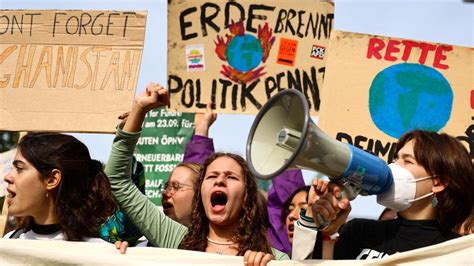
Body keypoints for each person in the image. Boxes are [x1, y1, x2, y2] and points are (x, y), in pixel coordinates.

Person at [105, 83, 288, 264]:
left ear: (246, 196)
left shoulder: (274, 259)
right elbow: (117, 180)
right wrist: (139, 109)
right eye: (211, 176)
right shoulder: (175, 239)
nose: (220, 181)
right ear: (201, 193)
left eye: (231, 177)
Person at [305, 129, 473, 260]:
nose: (393, 167)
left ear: (439, 183)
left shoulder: (457, 251)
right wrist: (327, 233)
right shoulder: (360, 232)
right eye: (395, 159)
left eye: (407, 161)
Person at [3, 132, 116, 242]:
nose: (7, 177)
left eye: (19, 168)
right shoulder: (10, 241)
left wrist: (125, 256)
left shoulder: (97, 252)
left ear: (52, 179)